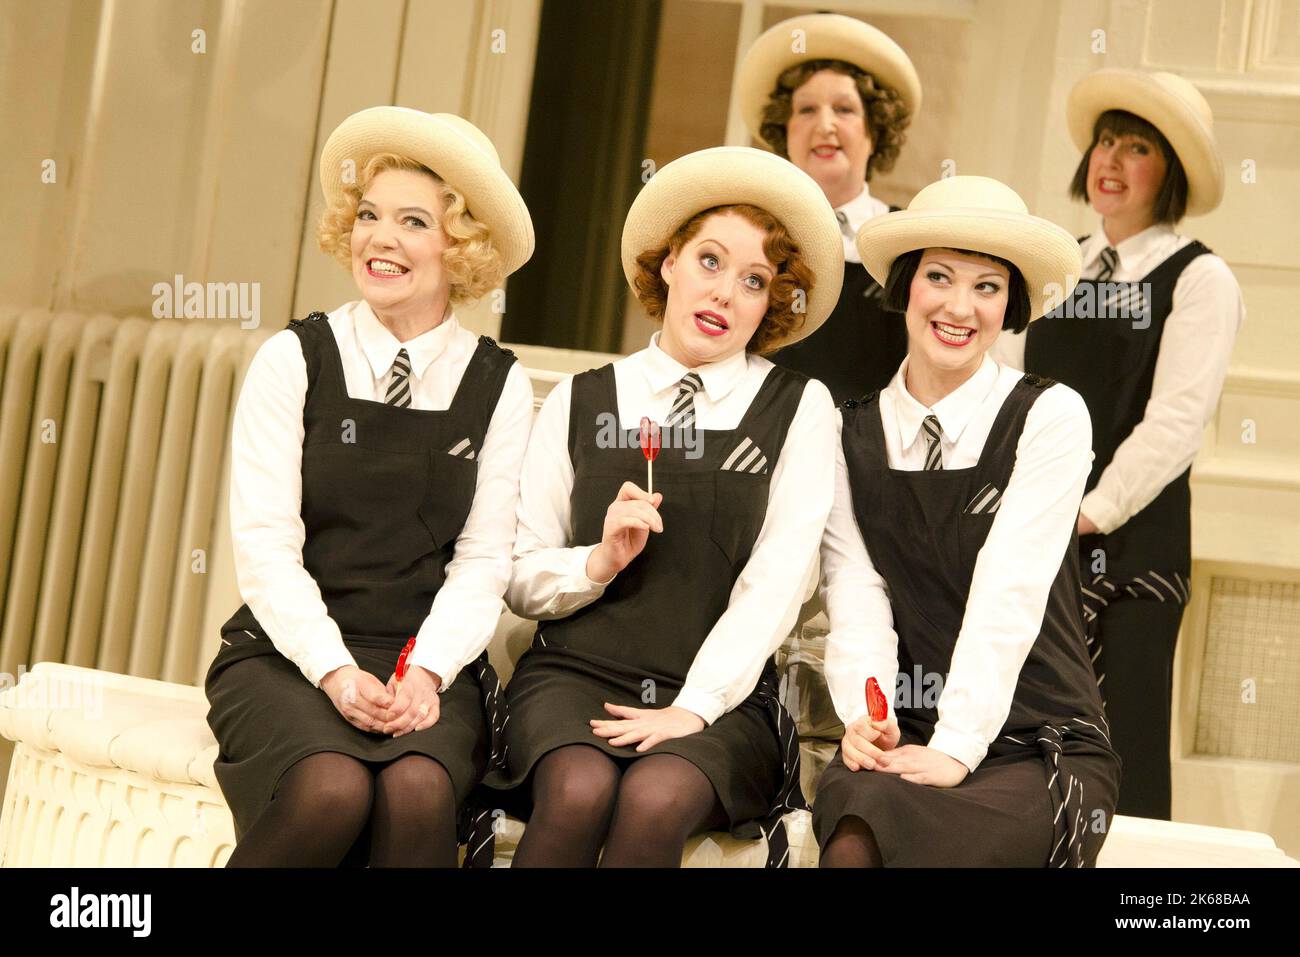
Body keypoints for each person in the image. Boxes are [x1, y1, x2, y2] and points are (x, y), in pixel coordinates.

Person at [485, 147, 840, 867]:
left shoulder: (800, 408)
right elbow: (517, 575)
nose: (724, 296)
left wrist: (695, 704)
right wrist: (597, 559)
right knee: (579, 787)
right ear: (669, 262)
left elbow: (779, 581)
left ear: (772, 301)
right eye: (709, 261)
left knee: (654, 798)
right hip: (572, 678)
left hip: (722, 698)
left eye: (753, 281)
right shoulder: (578, 401)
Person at [205, 106, 535, 867]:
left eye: (413, 220)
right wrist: (333, 667)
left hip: (426, 661)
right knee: (333, 788)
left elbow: (484, 559)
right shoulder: (294, 359)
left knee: (417, 791)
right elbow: (265, 549)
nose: (380, 237)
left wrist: (423, 673)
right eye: (369, 215)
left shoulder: (499, 384)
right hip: (289, 654)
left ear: (462, 246)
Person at [814, 175, 1121, 867]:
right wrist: (867, 715)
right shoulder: (842, 432)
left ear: (1010, 302)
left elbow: (1007, 590)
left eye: (987, 286)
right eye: (940, 277)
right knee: (855, 837)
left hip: (1037, 733)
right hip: (908, 721)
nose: (960, 306)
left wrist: (958, 744)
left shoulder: (1051, 415)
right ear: (904, 286)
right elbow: (856, 592)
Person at [994, 69, 1245, 819]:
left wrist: (1088, 511)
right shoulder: (1052, 268)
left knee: (1124, 749)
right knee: (1027, 748)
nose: (1110, 158)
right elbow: (1008, 399)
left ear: (1168, 172)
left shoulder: (1199, 278)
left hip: (1133, 552)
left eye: (1136, 147)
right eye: (1106, 140)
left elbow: (1176, 424)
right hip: (1039, 535)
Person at [735, 12, 921, 403]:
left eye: (844, 109)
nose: (825, 126)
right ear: (783, 132)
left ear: (876, 130)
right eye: (806, 110)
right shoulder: (746, 235)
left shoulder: (909, 242)